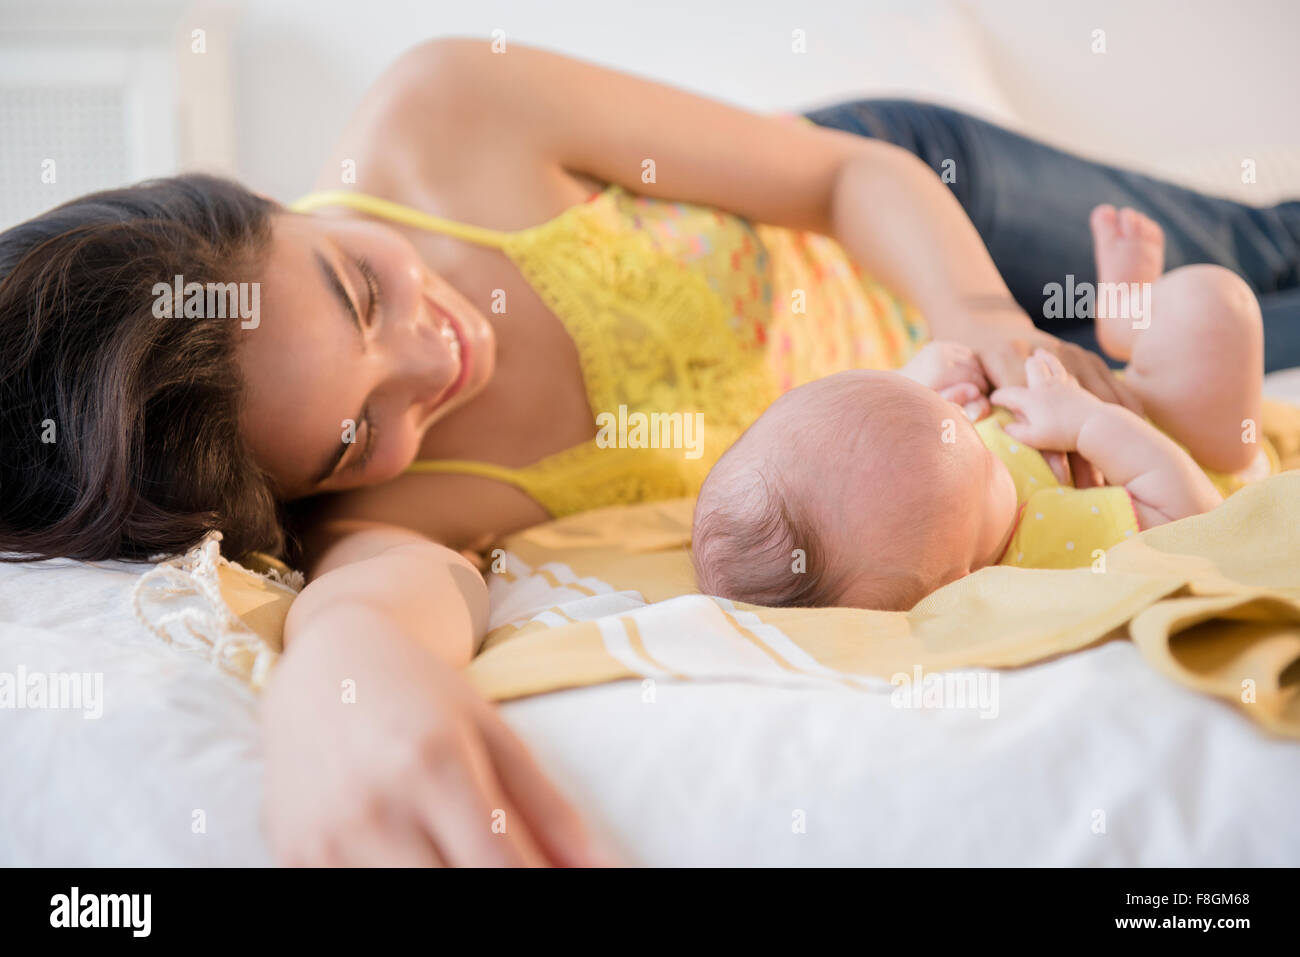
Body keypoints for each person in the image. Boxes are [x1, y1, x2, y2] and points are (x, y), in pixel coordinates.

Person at [1, 38, 1296, 865]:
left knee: (1258, 248)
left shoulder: (447, 116)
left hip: (937, 225)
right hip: (999, 431)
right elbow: (378, 605)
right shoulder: (400, 500)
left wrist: (989, 325)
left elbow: (851, 175)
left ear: (267, 200)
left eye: (354, 289)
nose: (430, 361)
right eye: (351, 432)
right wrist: (343, 690)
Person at [693, 206, 1270, 609]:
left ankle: (1125, 322)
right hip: (1184, 440)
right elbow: (1195, 516)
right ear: (961, 578)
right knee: (1215, 306)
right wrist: (1087, 423)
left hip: (1087, 392)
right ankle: (1128, 322)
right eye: (986, 463)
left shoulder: (916, 488)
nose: (975, 427)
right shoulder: (1042, 543)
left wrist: (924, 380)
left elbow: (880, 444)